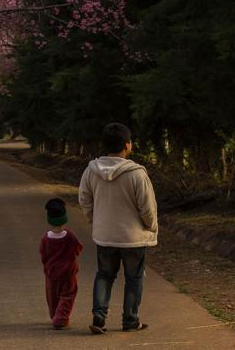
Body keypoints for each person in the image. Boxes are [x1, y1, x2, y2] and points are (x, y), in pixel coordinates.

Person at [78, 122, 157, 334]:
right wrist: (151, 227)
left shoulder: (91, 171)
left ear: (104, 145)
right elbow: (147, 208)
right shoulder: (137, 174)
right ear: (128, 145)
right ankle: (130, 320)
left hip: (105, 236)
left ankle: (99, 316)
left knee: (104, 275)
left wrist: (94, 220)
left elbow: (84, 199)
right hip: (133, 237)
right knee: (134, 278)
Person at [40, 197, 83, 330]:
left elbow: (43, 255)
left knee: (52, 297)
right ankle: (61, 318)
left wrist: (48, 266)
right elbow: (78, 249)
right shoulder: (70, 237)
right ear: (65, 218)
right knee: (68, 295)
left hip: (52, 273)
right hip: (68, 274)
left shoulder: (45, 238)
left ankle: (55, 315)